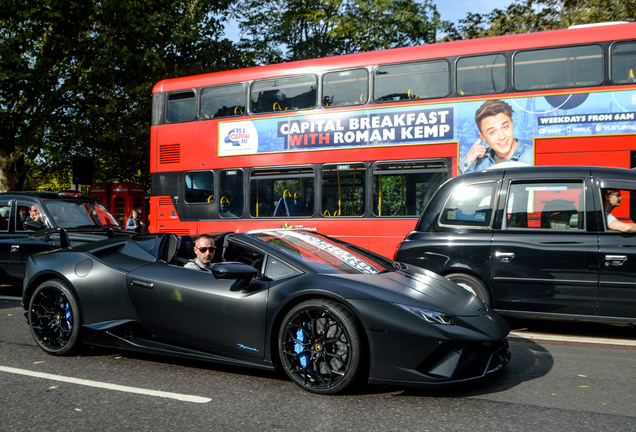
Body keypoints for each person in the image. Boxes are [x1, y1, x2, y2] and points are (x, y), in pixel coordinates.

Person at [459, 100, 533, 173]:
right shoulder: (478, 163)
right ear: (483, 137)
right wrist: (468, 160)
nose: (502, 137)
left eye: (505, 127)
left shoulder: (532, 155)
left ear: (512, 123)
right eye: (492, 132)